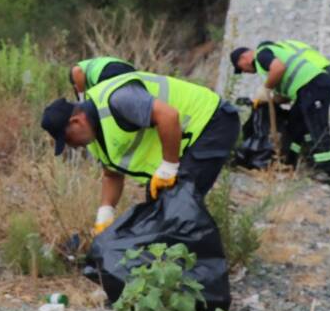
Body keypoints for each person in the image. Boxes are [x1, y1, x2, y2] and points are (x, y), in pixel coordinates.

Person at [40, 71, 240, 234]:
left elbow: (169, 116)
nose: (72, 146)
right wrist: (105, 213)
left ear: (77, 121)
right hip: (189, 139)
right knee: (157, 209)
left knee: (177, 205)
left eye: (68, 139)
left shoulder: (118, 100)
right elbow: (112, 175)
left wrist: (168, 168)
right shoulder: (93, 137)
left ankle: (197, 264)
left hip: (212, 121)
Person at [230, 40, 330, 180]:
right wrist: (268, 100)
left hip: (314, 84)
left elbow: (278, 68)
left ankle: (328, 170)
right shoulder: (266, 65)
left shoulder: (261, 54)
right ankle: (290, 162)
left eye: (240, 68)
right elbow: (284, 97)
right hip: (305, 90)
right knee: (295, 125)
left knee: (317, 125)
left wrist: (266, 88)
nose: (244, 72)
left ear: (243, 58)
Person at [69, 56, 135, 98]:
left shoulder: (80, 70)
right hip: (129, 69)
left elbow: (76, 70)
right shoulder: (92, 63)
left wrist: (81, 97)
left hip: (107, 71)